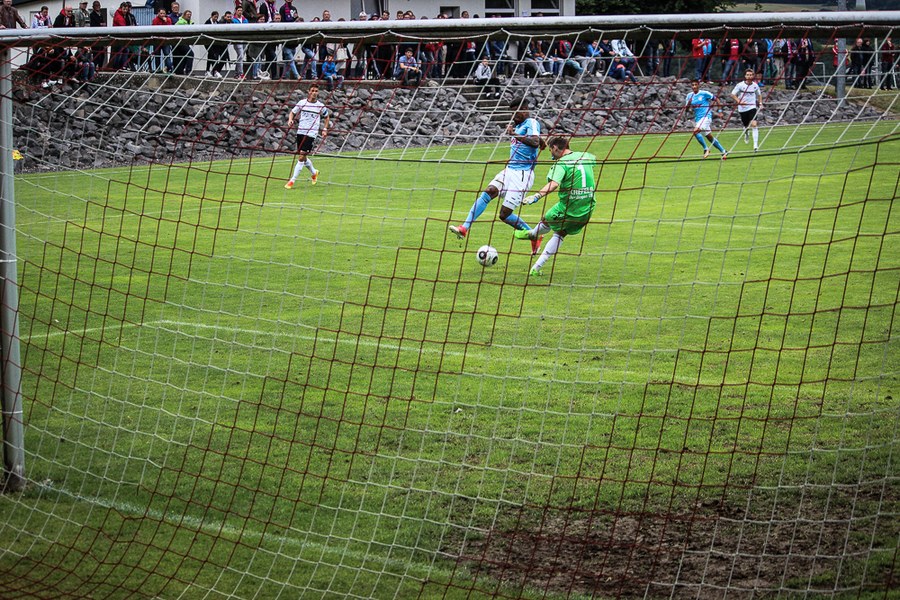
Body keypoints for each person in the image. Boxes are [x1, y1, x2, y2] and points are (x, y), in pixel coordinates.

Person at [449, 98, 543, 255]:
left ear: (525, 110)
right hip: (509, 170)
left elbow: (534, 142)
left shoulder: (531, 122)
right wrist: (537, 140)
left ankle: (534, 236)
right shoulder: (519, 125)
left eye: (516, 112)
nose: (513, 115)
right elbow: (537, 140)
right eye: (512, 112)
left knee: (504, 215)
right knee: (489, 191)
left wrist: (515, 135)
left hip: (522, 175)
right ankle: (464, 228)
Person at [514, 136, 597, 277]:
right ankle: (535, 268)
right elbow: (594, 159)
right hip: (587, 208)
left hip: (569, 207)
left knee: (546, 220)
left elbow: (553, 184)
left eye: (550, 150)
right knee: (561, 233)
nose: (551, 154)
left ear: (555, 148)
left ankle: (533, 234)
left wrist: (536, 196)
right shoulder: (585, 156)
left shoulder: (561, 163)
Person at [285, 84, 330, 188]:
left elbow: (327, 117)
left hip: (311, 133)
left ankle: (292, 180)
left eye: (316, 91)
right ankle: (314, 172)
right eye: (312, 91)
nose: (314, 93)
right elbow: (292, 112)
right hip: (301, 131)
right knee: (303, 156)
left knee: (301, 156)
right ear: (309, 92)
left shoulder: (320, 106)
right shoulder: (302, 103)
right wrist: (290, 120)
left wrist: (325, 129)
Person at [684, 79, 727, 159]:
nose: (694, 86)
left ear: (698, 85)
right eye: (692, 85)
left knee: (695, 131)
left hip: (706, 117)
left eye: (695, 85)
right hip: (698, 119)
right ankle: (723, 151)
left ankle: (706, 149)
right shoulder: (689, 96)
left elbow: (716, 99)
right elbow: (687, 109)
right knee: (709, 137)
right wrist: (688, 105)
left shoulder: (704, 93)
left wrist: (720, 111)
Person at [731, 68, 762, 151]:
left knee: (754, 124)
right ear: (745, 76)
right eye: (748, 75)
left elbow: (759, 94)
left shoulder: (755, 85)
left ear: (753, 76)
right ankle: (746, 133)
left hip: (752, 107)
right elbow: (733, 94)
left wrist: (760, 103)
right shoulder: (740, 85)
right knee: (746, 125)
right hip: (742, 108)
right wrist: (739, 101)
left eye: (751, 75)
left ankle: (755, 146)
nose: (749, 76)